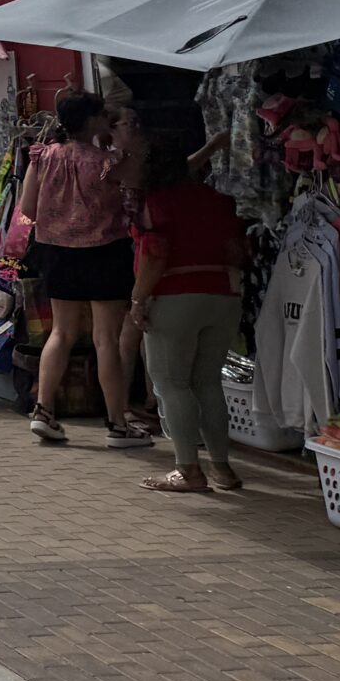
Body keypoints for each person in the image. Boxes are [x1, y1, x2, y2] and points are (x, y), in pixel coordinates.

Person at [19, 90, 149, 449]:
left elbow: (26, 209)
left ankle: (43, 411)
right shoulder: (107, 161)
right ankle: (118, 424)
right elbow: (138, 184)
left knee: (61, 332)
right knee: (105, 338)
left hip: (57, 253)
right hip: (105, 251)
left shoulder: (42, 157)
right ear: (93, 120)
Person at [126, 139, 250, 494]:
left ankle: (188, 470)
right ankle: (223, 468)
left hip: (173, 297)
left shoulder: (156, 203)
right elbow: (236, 251)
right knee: (208, 382)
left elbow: (154, 253)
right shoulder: (218, 200)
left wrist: (138, 299)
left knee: (172, 383)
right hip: (223, 296)